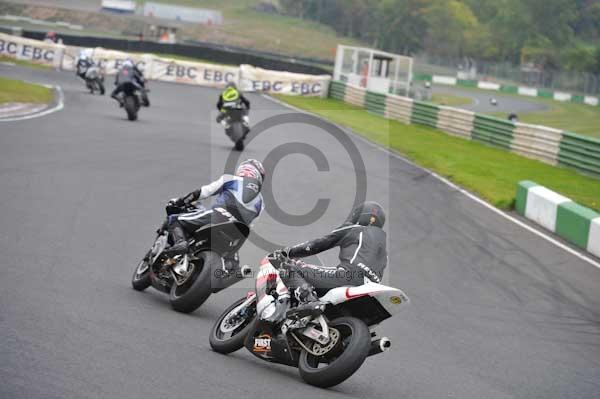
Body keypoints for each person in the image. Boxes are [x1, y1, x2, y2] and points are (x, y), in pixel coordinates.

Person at [270, 201, 388, 314]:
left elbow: (317, 245)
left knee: (287, 268)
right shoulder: (383, 249)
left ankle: (309, 301)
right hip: (371, 287)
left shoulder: (354, 229)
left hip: (348, 276)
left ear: (359, 215)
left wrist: (288, 252)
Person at [164, 159, 266, 271]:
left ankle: (180, 244)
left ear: (243, 170)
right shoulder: (261, 203)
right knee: (232, 263)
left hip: (218, 215)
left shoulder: (231, 179)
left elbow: (204, 192)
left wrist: (182, 201)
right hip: (238, 232)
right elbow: (250, 227)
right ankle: (230, 266)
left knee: (174, 220)